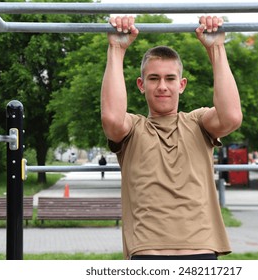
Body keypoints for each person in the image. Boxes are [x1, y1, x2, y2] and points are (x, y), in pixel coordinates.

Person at [101, 15, 242, 260]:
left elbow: (231, 117)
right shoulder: (133, 128)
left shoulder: (198, 122)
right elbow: (112, 119)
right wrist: (116, 48)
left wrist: (216, 47)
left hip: (201, 250)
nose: (162, 86)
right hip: (148, 253)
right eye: (153, 78)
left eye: (170, 78)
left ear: (182, 84)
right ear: (141, 85)